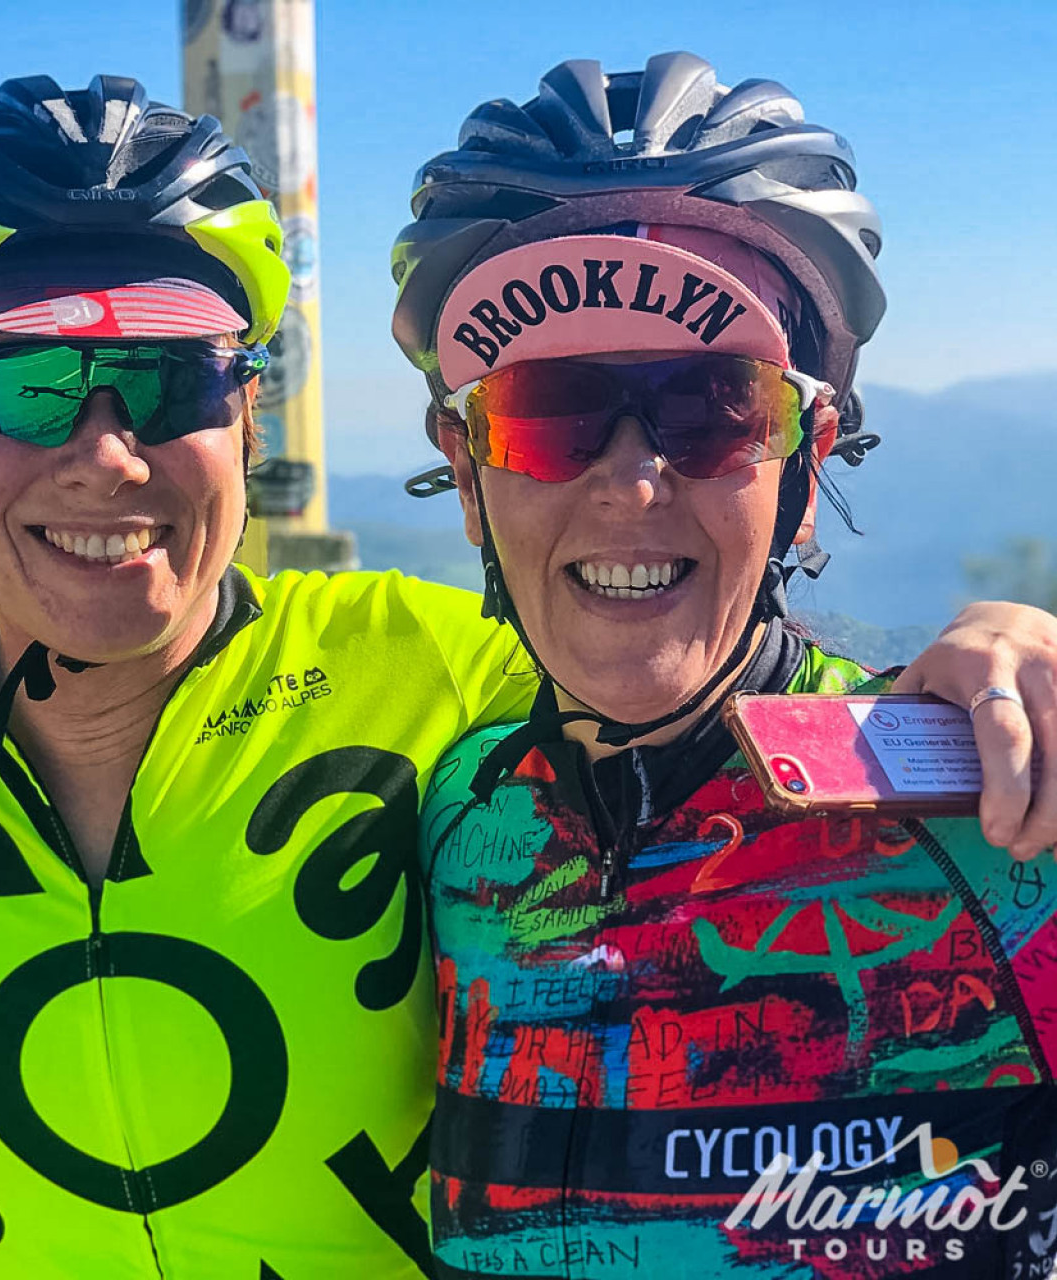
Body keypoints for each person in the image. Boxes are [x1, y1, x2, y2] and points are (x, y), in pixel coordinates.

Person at [0, 75, 1057, 1278]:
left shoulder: (981, 811)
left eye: (715, 411)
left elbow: (729, 697)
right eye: (26, 389)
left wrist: (1015, 650)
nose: (109, 453)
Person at [396, 54, 1057, 1277]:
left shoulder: (1002, 806)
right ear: (468, 473)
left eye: (714, 409)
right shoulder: (448, 814)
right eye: (549, 413)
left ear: (810, 468)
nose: (633, 480)